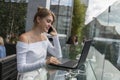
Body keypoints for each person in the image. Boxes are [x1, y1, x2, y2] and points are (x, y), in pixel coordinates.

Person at [16, 6, 62, 80]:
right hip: (28, 77)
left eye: (51, 22)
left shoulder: (44, 37)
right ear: (38, 19)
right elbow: (20, 68)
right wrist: (45, 62)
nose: (50, 25)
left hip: (42, 75)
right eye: (48, 21)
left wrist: (55, 37)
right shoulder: (24, 38)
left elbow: (58, 55)